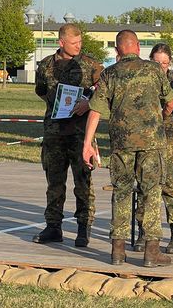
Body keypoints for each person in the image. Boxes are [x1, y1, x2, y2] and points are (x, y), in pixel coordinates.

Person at [83, 30, 173, 267]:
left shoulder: (109, 74)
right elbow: (171, 102)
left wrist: (87, 144)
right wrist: (159, 118)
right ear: (138, 46)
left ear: (117, 50)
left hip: (121, 144)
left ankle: (117, 250)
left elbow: (95, 110)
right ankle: (151, 252)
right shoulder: (154, 70)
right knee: (151, 193)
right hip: (151, 144)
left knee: (121, 192)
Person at [33, 23, 104, 248]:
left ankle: (84, 227)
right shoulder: (45, 65)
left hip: (80, 133)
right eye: (74, 43)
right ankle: (53, 226)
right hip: (54, 133)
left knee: (83, 182)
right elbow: (42, 91)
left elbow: (105, 92)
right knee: (54, 182)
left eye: (80, 42)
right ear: (61, 43)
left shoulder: (91, 65)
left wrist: (87, 103)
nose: (78, 46)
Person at [133, 43, 173, 254]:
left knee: (171, 187)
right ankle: (145, 231)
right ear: (149, 60)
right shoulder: (142, 79)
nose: (161, 67)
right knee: (145, 186)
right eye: (157, 62)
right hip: (147, 139)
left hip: (171, 140)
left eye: (165, 63)